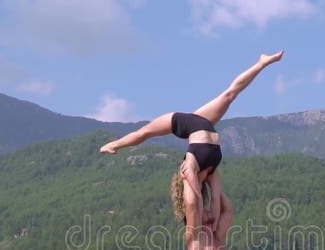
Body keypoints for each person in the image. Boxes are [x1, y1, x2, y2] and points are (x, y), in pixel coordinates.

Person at [100, 51, 283, 225]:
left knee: (147, 131)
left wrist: (207, 217)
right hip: (200, 129)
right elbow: (207, 199)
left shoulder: (199, 170)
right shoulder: (201, 171)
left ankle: (114, 144)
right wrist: (210, 217)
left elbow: (203, 199)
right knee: (229, 94)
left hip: (200, 135)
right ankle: (261, 63)